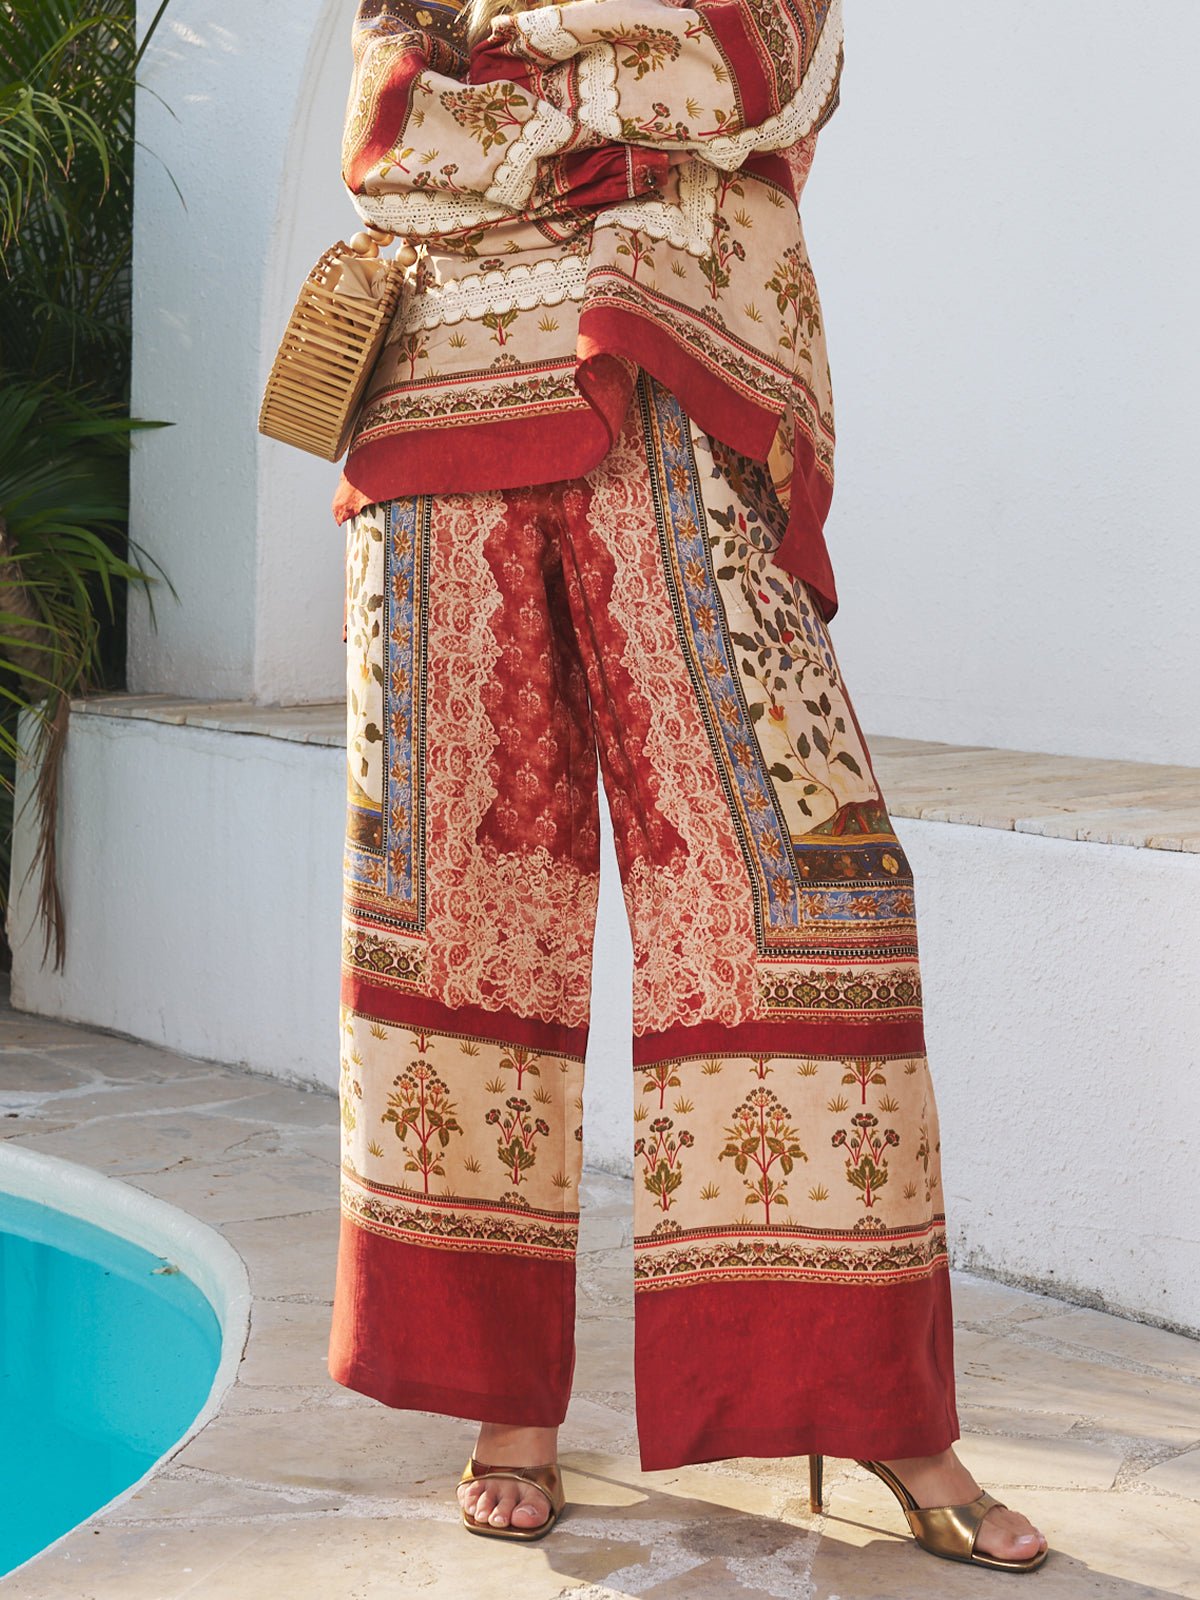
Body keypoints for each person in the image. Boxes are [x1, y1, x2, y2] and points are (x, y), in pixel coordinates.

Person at [326, 0, 1049, 1573]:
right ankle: (501, 1397)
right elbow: (388, 124)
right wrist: (602, 106)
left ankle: (869, 1400)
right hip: (432, 403)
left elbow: (761, 62)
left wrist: (516, 58)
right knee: (459, 899)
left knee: (791, 874)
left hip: (678, 373)